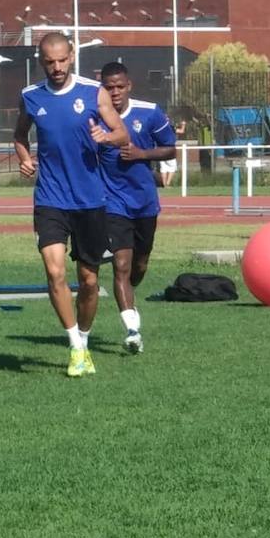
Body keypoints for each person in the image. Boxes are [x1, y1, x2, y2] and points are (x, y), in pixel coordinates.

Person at [13, 33, 129, 378]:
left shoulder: (94, 93)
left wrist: (105, 137)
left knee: (89, 281)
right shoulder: (31, 97)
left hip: (90, 201)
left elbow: (122, 133)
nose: (57, 67)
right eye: (49, 62)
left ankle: (84, 336)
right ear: (40, 61)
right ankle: (75, 348)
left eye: (62, 60)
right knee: (54, 271)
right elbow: (20, 136)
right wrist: (24, 158)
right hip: (50, 199)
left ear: (72, 56)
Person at [97, 63, 177, 354]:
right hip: (112, 203)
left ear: (129, 85)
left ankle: (128, 294)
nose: (115, 92)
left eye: (119, 87)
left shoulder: (149, 112)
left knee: (138, 265)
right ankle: (132, 329)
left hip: (144, 202)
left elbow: (170, 148)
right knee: (121, 265)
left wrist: (142, 154)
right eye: (109, 87)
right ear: (101, 86)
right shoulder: (94, 116)